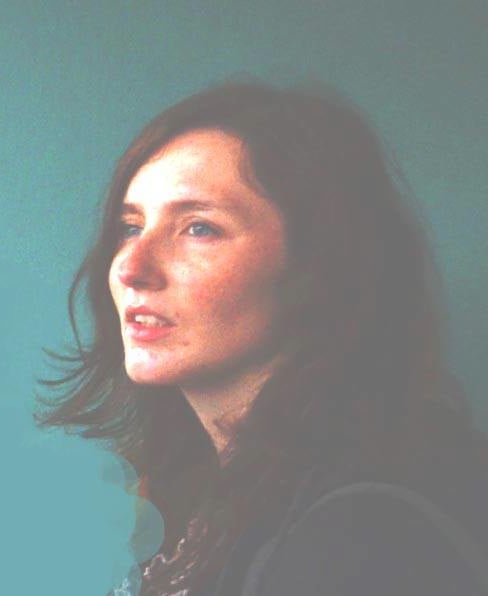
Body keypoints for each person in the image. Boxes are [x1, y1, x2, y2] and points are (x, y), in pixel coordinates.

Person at [35, 81, 488, 595]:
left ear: (319, 266)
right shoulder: (197, 499)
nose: (130, 268)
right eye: (131, 227)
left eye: (199, 228)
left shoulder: (365, 532)